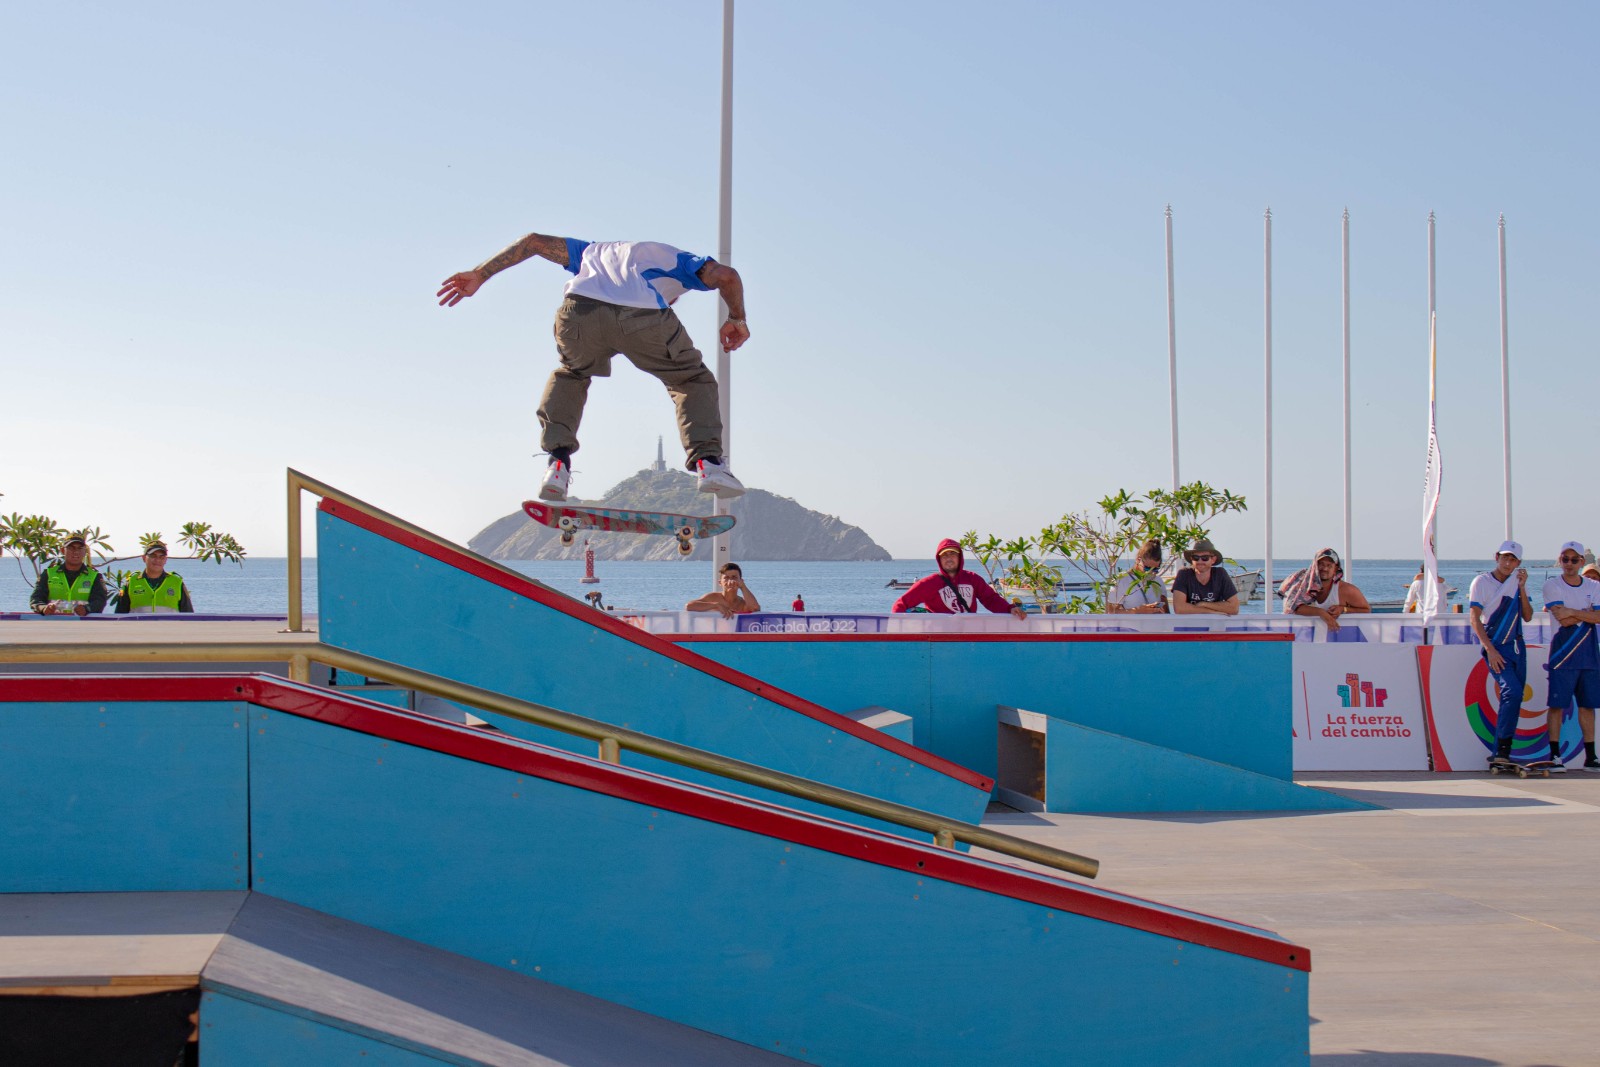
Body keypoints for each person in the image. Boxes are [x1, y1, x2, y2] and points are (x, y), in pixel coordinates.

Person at [438, 233, 749, 503]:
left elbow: (531, 242)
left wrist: (480, 273)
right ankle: (708, 464)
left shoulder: (589, 252)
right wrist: (737, 318)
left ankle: (557, 465)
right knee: (691, 379)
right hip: (643, 320)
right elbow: (728, 277)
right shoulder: (684, 262)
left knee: (572, 373)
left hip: (577, 311)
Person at [1468, 540, 1534, 767]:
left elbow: (1527, 615)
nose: (1508, 562)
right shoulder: (1482, 582)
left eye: (1513, 559)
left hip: (1517, 645)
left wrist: (1523, 588)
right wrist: (1490, 649)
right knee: (1512, 692)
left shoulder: (1517, 582)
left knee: (1515, 697)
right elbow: (1475, 618)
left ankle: (1503, 750)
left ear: (1519, 562)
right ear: (1497, 557)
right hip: (1496, 643)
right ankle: (1501, 751)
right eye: (1505, 557)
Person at [1540, 541, 1600, 771]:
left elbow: (1598, 617)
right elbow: (1561, 618)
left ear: (1581, 562)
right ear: (1560, 560)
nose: (1569, 564)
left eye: (1574, 560)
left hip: (1588, 653)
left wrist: (1574, 612)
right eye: (1565, 559)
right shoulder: (1551, 585)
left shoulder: (1593, 585)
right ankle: (1555, 756)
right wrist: (1586, 614)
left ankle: (1591, 757)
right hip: (1562, 653)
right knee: (1557, 706)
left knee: (1588, 706)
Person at [891, 539, 1027, 619]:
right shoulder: (929, 583)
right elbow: (900, 605)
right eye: (944, 555)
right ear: (939, 559)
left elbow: (991, 599)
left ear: (959, 557)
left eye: (952, 554)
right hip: (938, 640)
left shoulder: (973, 579)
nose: (949, 558)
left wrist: (1009, 609)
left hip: (967, 637)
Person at [1279, 548, 1370, 632]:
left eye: (1329, 565)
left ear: (1336, 569)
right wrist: (1322, 613)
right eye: (1321, 564)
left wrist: (1343, 609)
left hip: (1336, 639)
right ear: (1314, 566)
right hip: (1301, 638)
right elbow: (1293, 607)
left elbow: (1366, 610)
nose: (1325, 569)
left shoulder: (1346, 590)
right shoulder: (1302, 584)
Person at [30, 534, 108, 616]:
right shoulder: (49, 574)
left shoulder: (94, 576)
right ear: (63, 550)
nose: (76, 552)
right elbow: (36, 599)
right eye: (71, 548)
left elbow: (100, 601)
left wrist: (87, 609)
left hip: (82, 626)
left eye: (80, 548)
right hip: (53, 625)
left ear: (85, 552)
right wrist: (44, 608)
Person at [113, 542, 194, 614]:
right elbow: (120, 615)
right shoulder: (131, 582)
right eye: (153, 556)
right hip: (138, 630)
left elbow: (188, 615)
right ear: (144, 558)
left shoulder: (177, 582)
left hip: (169, 630)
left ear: (166, 559)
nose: (157, 560)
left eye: (161, 557)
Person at [1171, 538, 1239, 616]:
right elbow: (1179, 608)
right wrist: (1211, 612)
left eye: (1205, 558)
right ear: (1191, 559)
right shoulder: (1184, 575)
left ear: (1213, 559)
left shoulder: (1220, 574)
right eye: (1196, 558)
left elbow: (1234, 608)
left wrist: (1203, 604)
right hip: (1189, 626)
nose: (1200, 561)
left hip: (1215, 627)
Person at [1106, 539, 1168, 614]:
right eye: (1147, 568)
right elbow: (1111, 612)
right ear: (1138, 560)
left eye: (1155, 569)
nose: (1150, 572)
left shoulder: (1158, 581)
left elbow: (1167, 613)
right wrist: (1137, 611)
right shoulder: (1122, 580)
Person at [686, 563, 761, 619]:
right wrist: (716, 605)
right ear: (720, 583)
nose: (731, 580)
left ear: (741, 580)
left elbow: (755, 609)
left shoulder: (742, 603)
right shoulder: (712, 598)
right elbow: (689, 606)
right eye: (726, 578)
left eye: (734, 577)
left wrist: (743, 586)